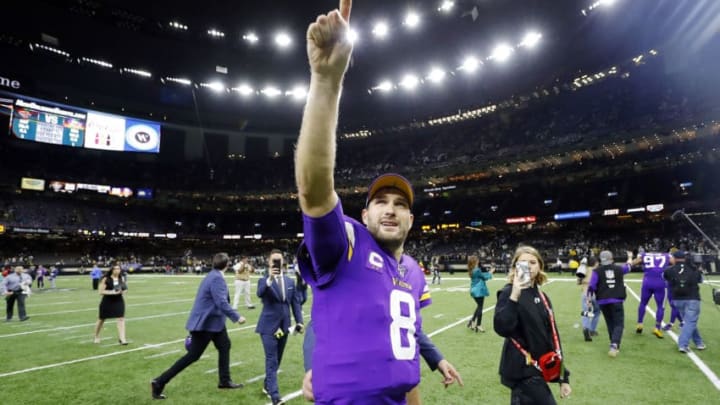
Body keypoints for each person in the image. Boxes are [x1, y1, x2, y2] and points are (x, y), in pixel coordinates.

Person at [294, 1, 460, 401]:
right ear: (364, 213)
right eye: (381, 201)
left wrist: (433, 361)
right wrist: (326, 80)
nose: (391, 208)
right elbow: (314, 189)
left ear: (411, 219)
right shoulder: (346, 245)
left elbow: (407, 352)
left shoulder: (414, 272)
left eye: (400, 204)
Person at [150, 252, 247, 400]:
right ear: (227, 265)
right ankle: (159, 381)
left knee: (225, 346)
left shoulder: (212, 275)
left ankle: (225, 380)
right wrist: (237, 316)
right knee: (193, 355)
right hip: (206, 324)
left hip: (214, 323)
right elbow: (221, 302)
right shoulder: (216, 278)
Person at [301, 322, 463, 403]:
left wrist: (438, 359)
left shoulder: (396, 271)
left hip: (399, 378)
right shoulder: (348, 268)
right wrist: (312, 367)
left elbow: (406, 322)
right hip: (356, 380)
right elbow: (319, 320)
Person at [494, 245, 572, 404]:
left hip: (539, 368)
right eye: (523, 262)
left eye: (532, 262)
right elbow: (502, 328)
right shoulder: (508, 292)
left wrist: (563, 377)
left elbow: (552, 336)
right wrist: (515, 295)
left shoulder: (542, 296)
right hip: (522, 371)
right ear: (515, 266)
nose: (528, 266)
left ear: (540, 266)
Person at [256, 250, 304, 405]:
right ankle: (275, 396)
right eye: (274, 260)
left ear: (283, 262)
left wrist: (299, 321)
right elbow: (260, 293)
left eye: (279, 260)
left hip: (284, 327)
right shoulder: (264, 280)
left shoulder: (290, 282)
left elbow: (295, 303)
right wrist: (270, 278)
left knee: (277, 360)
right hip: (268, 327)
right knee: (271, 360)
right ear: (269, 262)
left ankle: (266, 385)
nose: (276, 263)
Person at [587, 250, 631, 357]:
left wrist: (588, 300)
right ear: (612, 258)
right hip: (616, 300)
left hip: (603, 300)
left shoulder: (597, 271)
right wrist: (629, 257)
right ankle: (614, 344)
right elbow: (629, 267)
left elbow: (591, 286)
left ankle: (613, 343)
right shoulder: (619, 268)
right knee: (619, 324)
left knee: (610, 323)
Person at [663, 251, 705, 353]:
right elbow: (701, 280)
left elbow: (665, 278)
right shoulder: (693, 268)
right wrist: (698, 270)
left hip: (678, 299)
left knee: (689, 321)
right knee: (690, 322)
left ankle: (699, 343)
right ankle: (683, 344)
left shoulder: (669, 270)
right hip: (693, 298)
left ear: (675, 258)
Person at [631, 250, 671, 338]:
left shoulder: (644, 255)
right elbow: (674, 262)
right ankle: (657, 327)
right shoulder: (666, 255)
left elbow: (633, 263)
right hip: (660, 282)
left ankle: (640, 323)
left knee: (643, 303)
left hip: (647, 281)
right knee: (661, 306)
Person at [93, 265, 128, 344]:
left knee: (121, 318)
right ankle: (96, 336)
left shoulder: (121, 278)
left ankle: (122, 338)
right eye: (115, 269)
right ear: (112, 270)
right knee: (101, 319)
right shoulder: (106, 279)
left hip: (118, 300)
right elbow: (101, 292)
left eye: (119, 269)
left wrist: (123, 291)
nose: (117, 270)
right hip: (107, 301)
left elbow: (125, 289)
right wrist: (112, 292)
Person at [576, 257, 601, 341]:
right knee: (597, 311)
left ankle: (586, 328)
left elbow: (578, 282)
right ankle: (592, 330)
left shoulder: (583, 269)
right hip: (594, 294)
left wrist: (584, 281)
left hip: (585, 293)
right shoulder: (597, 271)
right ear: (595, 263)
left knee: (586, 312)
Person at [468, 255, 494, 333]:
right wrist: (491, 272)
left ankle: (472, 321)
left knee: (479, 306)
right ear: (475, 261)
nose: (478, 261)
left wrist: (488, 273)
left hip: (474, 290)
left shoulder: (472, 270)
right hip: (479, 290)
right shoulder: (477, 270)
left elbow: (481, 276)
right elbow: (484, 277)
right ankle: (478, 325)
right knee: (480, 307)